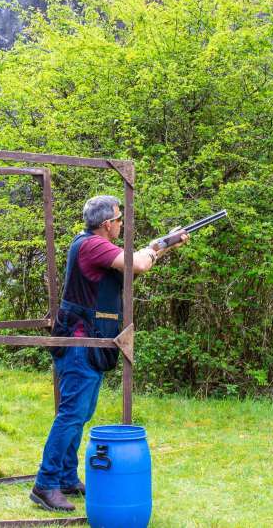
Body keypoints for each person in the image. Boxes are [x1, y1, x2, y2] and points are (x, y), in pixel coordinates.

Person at [30, 195, 187, 511]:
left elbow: (134, 261)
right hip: (80, 343)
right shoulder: (93, 246)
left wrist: (166, 244)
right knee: (72, 414)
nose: (120, 224)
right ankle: (45, 484)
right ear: (106, 224)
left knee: (81, 414)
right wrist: (158, 248)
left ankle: (64, 477)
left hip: (87, 341)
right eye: (118, 220)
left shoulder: (92, 244)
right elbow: (139, 263)